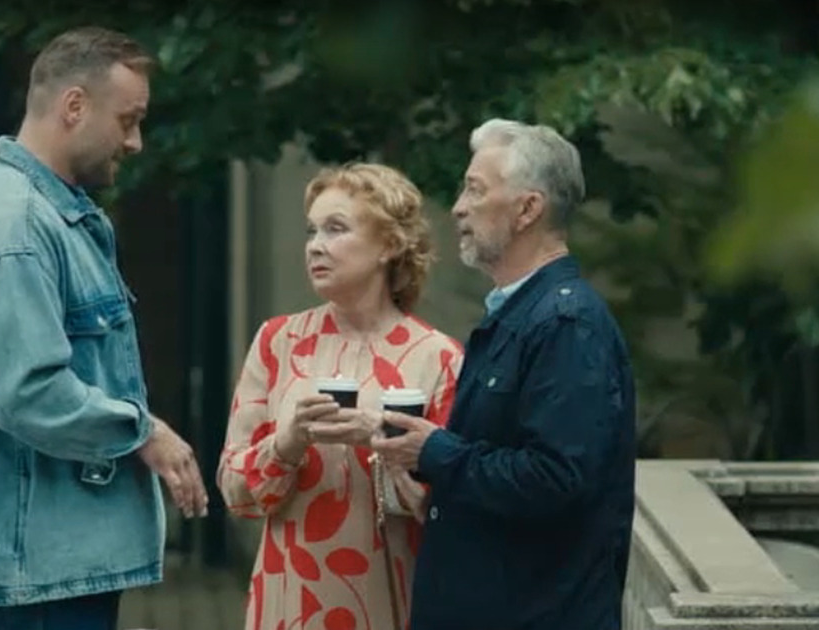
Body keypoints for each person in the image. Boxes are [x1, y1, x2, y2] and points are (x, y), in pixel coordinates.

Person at [374, 118, 638, 629]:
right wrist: (422, 462)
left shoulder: (566, 323)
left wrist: (436, 452)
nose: (458, 207)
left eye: (475, 190)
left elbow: (556, 480)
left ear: (527, 209)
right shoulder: (523, 313)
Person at [0, 26, 209, 630]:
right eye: (128, 120)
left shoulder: (54, 216)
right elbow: (26, 390)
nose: (135, 142)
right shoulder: (19, 227)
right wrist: (144, 432)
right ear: (74, 106)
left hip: (51, 570)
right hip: (36, 582)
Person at [217, 162, 463, 630]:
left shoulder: (440, 358)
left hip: (394, 601)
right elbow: (236, 495)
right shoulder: (278, 341)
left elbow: (453, 507)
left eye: (335, 229)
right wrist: (286, 444)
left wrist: (384, 442)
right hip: (290, 602)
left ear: (389, 245)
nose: (315, 245)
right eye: (312, 231)